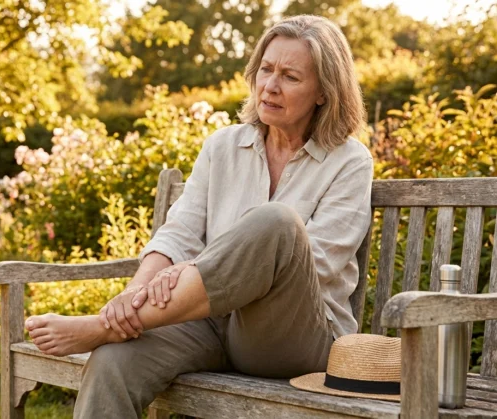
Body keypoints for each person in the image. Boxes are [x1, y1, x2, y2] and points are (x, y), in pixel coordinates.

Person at [25, 14, 373, 418]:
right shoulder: (223, 146)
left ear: (323, 93)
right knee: (112, 363)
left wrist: (193, 267)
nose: (270, 86)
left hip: (292, 336)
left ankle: (102, 327)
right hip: (210, 323)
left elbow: (317, 265)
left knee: (277, 222)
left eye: (290, 77)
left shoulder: (349, 161)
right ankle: (113, 325)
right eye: (265, 69)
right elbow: (179, 233)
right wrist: (130, 297)